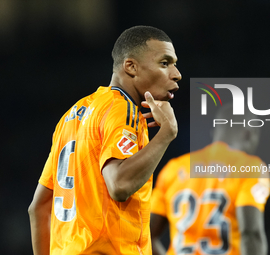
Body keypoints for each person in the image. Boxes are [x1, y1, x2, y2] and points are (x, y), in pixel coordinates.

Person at [28, 25, 182, 255]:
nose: (176, 73)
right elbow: (119, 185)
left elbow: (38, 208)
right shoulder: (123, 109)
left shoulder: (72, 115)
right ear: (131, 67)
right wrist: (167, 133)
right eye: (164, 63)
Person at [150, 104, 270, 255]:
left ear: (214, 132)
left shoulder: (174, 167)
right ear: (249, 133)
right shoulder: (249, 167)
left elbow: (147, 235)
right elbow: (251, 233)